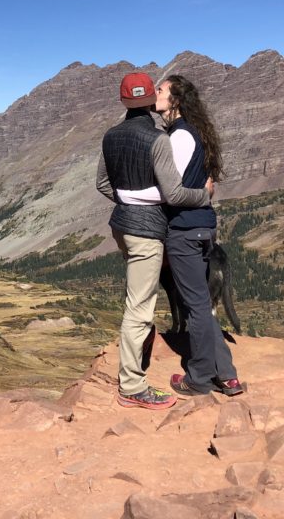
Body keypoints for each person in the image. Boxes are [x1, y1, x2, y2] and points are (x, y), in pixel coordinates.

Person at [96, 72, 213, 410]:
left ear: (123, 101)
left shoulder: (110, 136)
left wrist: (127, 200)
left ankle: (138, 359)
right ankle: (132, 386)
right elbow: (173, 194)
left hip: (121, 226)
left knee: (137, 294)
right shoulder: (158, 139)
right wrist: (203, 196)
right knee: (140, 307)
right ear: (150, 100)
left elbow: (103, 184)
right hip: (147, 232)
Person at [154, 74, 243, 397]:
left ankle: (199, 377)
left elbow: (173, 191)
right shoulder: (195, 134)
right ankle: (227, 375)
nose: (155, 93)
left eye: (160, 90)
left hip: (184, 228)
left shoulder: (179, 136)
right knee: (202, 304)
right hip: (203, 226)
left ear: (175, 100)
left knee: (195, 306)